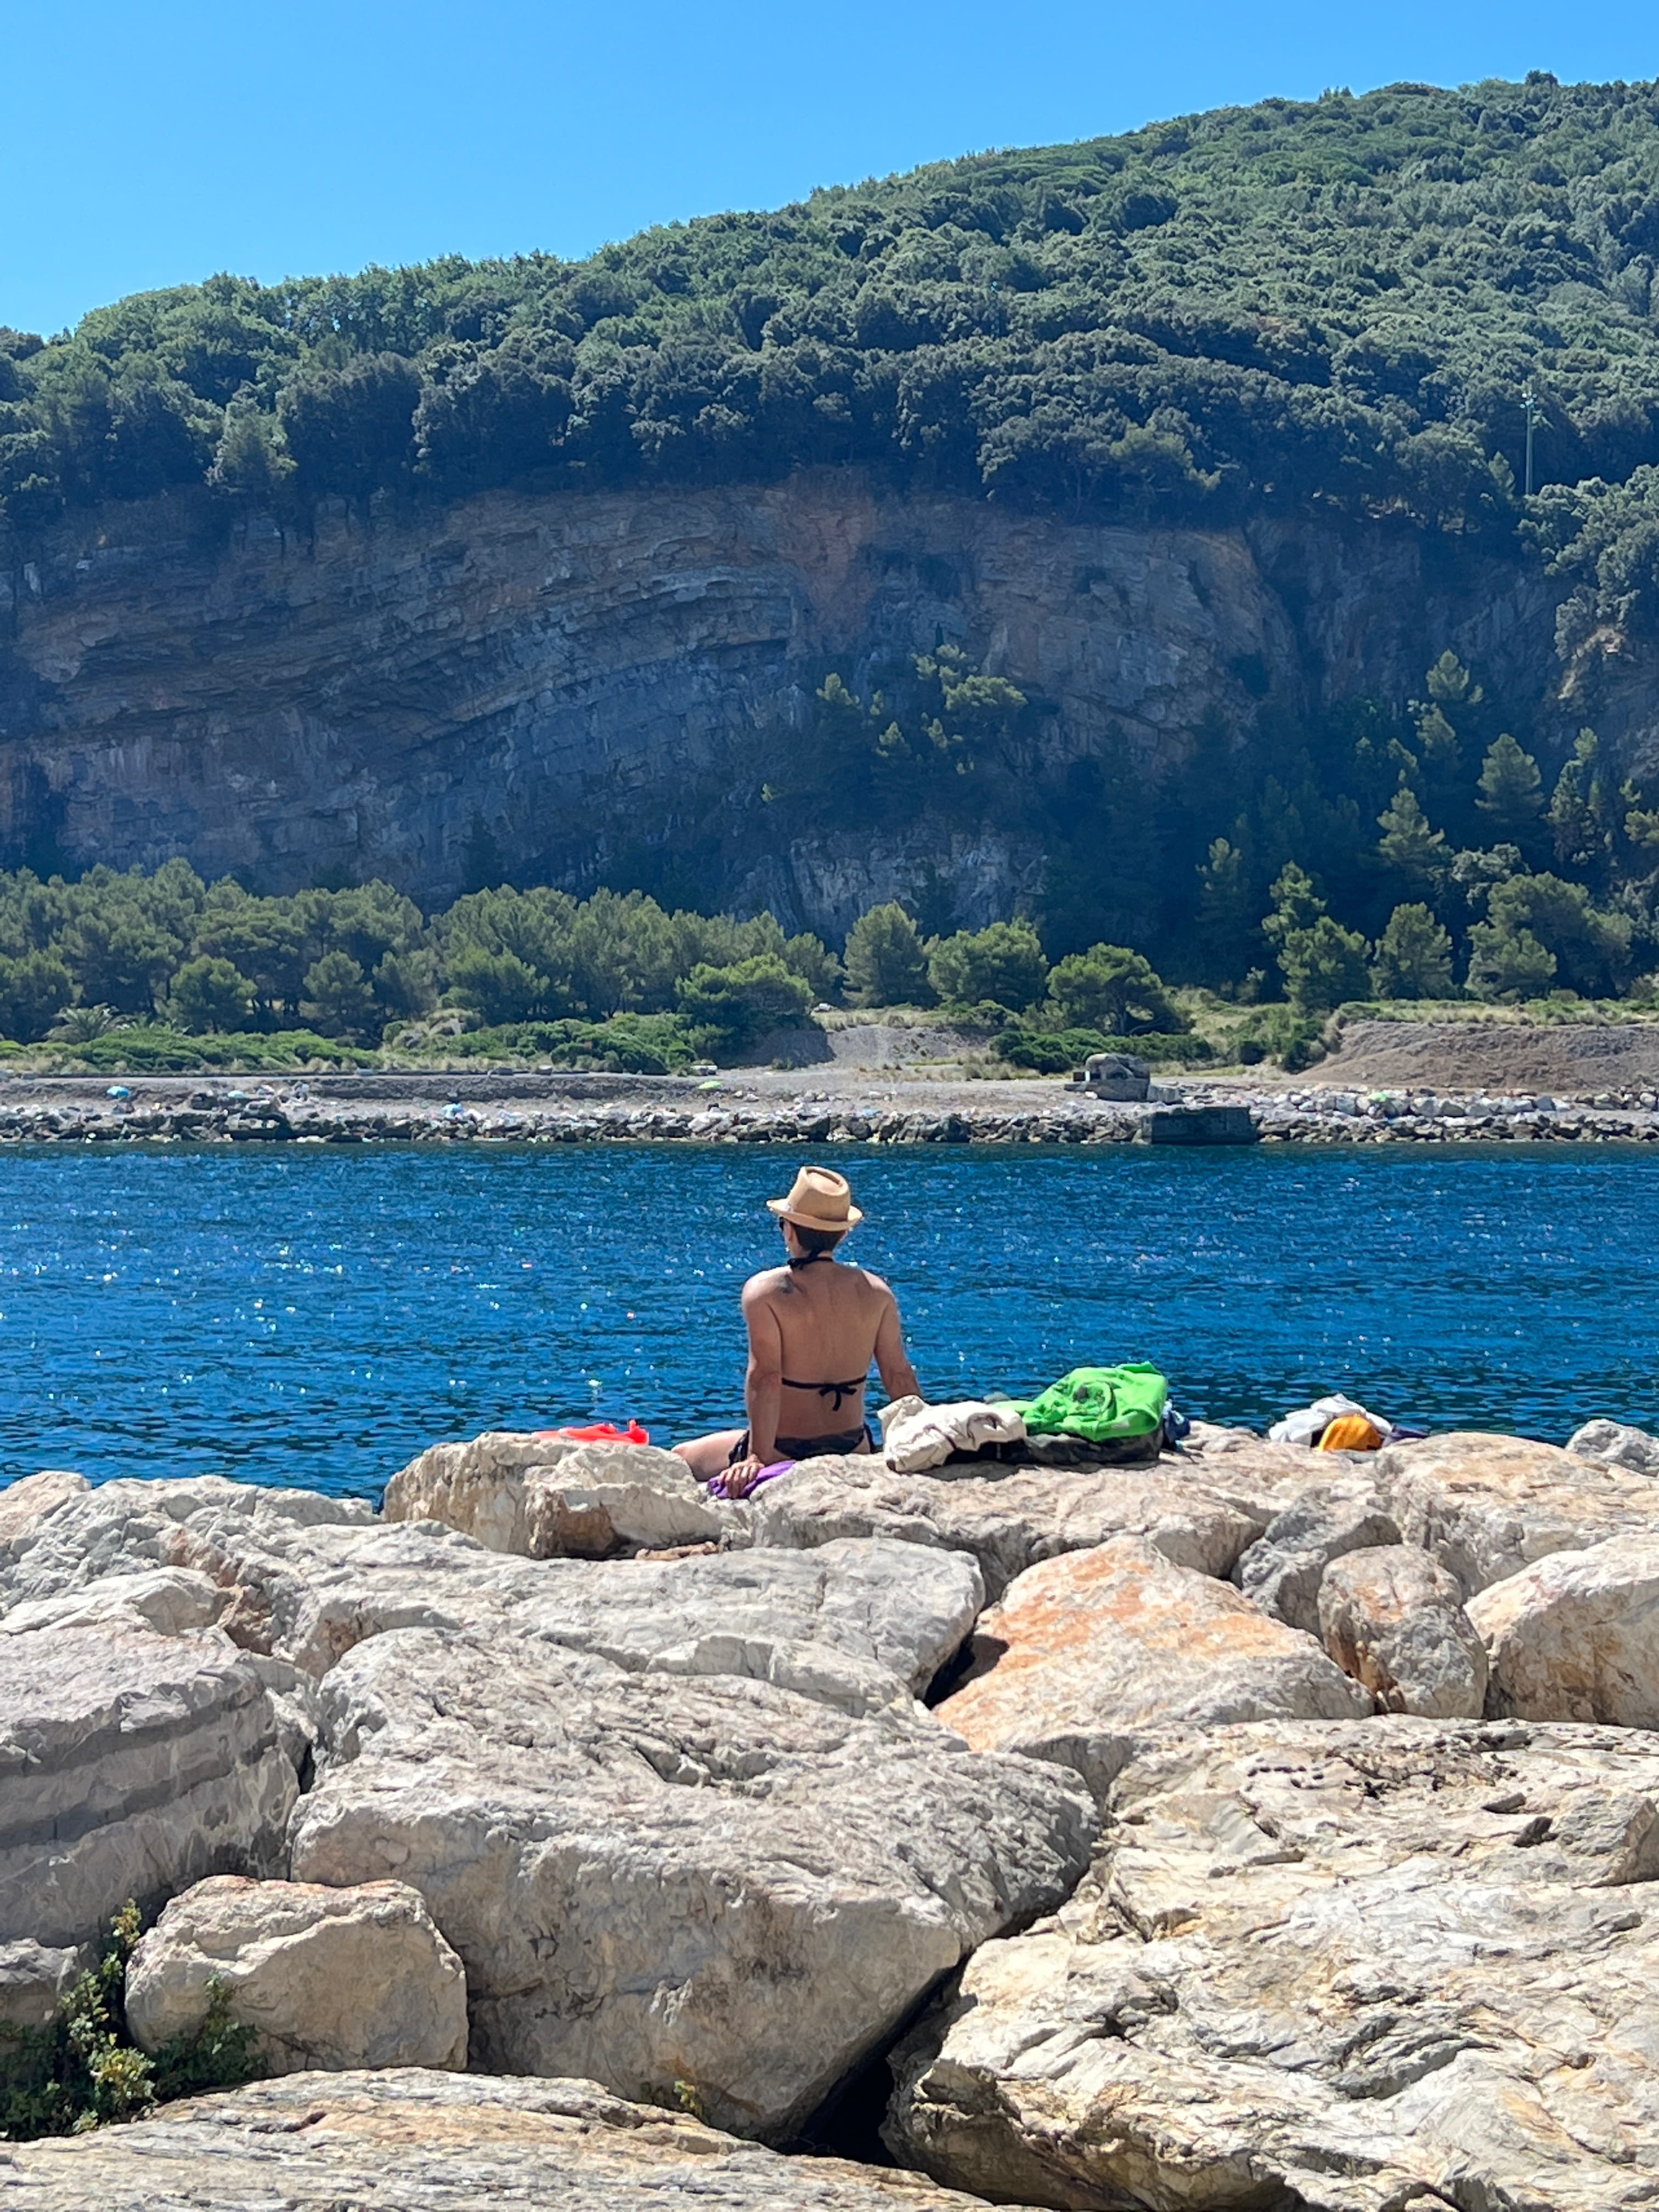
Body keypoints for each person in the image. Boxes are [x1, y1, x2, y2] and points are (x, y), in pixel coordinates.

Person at [672, 1165, 919, 1498]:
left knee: (680, 1459)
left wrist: (757, 1456)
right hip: (853, 1447)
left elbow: (766, 1378)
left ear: (789, 1231)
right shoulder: (876, 1291)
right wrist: (923, 1435)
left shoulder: (766, 1291)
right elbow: (899, 1376)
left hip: (784, 1450)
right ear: (843, 1233)